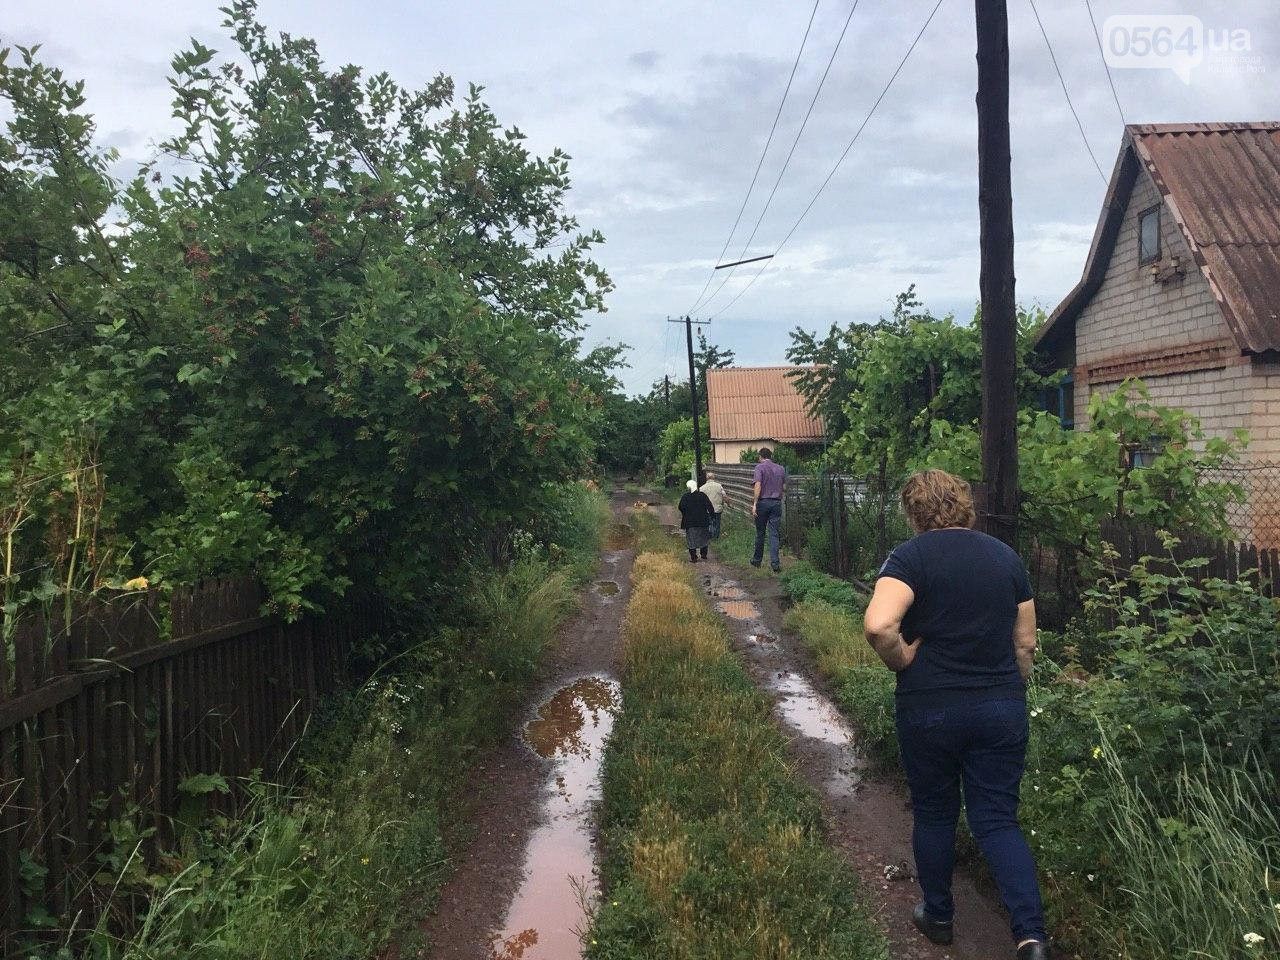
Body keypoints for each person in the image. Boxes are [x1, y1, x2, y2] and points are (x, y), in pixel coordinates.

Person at [863, 469, 1050, 960]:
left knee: (935, 811)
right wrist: (1008, 687)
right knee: (997, 820)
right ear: (965, 504)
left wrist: (903, 659)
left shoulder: (909, 558)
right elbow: (1026, 642)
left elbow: (880, 625)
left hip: (930, 708)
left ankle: (939, 916)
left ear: (914, 512)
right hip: (1000, 707)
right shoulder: (1005, 557)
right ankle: (1031, 937)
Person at [750, 448, 786, 572]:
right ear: (770, 456)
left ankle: (757, 560)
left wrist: (755, 503)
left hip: (763, 502)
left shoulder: (759, 468)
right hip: (776, 503)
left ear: (761, 457)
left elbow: (758, 485)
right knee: (774, 534)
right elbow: (784, 486)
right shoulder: (781, 468)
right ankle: (775, 564)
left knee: (760, 533)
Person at [677, 479, 714, 563]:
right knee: (704, 538)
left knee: (691, 539)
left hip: (690, 522)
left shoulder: (685, 497)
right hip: (703, 521)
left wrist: (685, 514)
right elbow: (710, 506)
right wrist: (712, 516)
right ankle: (703, 554)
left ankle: (694, 557)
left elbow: (680, 507)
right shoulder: (702, 495)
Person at [699, 470, 726, 539]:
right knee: (716, 524)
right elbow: (724, 496)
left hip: (707, 510)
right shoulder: (719, 486)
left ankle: (710, 537)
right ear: (714, 478)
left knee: (709, 523)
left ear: (707, 478)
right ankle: (716, 537)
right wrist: (729, 504)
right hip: (717, 509)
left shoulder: (702, 488)